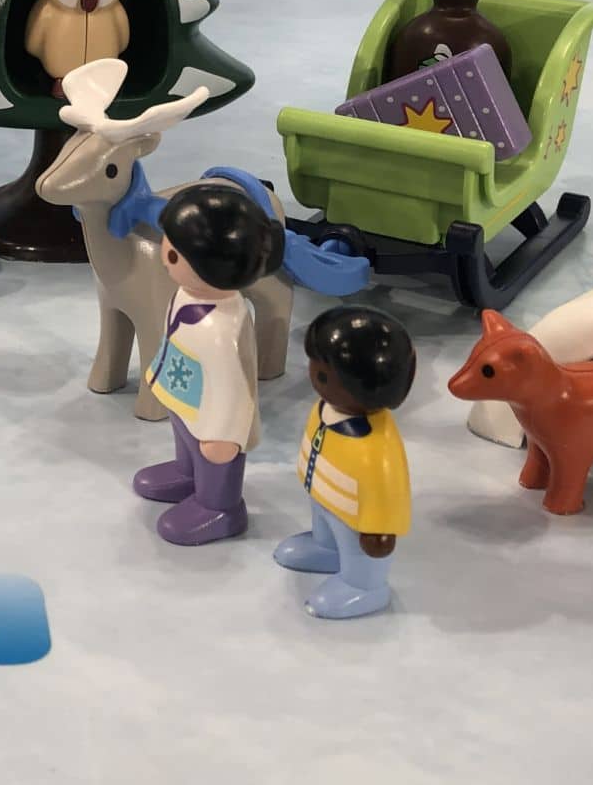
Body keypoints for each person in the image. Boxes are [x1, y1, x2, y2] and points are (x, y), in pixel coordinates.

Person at [134, 183, 285, 546]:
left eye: (175, 251)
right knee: (186, 439)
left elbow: (233, 387)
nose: (164, 253)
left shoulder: (221, 329)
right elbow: (174, 336)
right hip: (184, 393)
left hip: (214, 416)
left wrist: (226, 434)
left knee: (213, 457)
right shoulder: (186, 294)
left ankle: (220, 506)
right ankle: (188, 474)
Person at [274, 307, 416, 619]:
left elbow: (387, 491)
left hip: (356, 516)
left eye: (324, 373)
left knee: (358, 550)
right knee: (326, 527)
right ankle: (326, 548)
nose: (313, 375)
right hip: (325, 495)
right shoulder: (324, 408)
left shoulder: (375, 444)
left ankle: (365, 586)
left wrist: (380, 530)